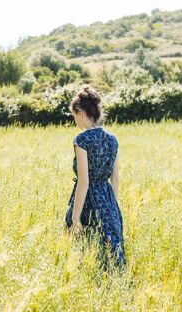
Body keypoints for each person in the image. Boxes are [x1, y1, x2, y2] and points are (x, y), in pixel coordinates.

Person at [64, 84, 127, 271]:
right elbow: (115, 179)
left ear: (81, 113)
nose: (74, 120)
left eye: (74, 116)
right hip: (108, 199)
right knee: (110, 252)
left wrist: (76, 218)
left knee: (78, 250)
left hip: (86, 200)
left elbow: (84, 181)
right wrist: (111, 208)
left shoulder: (81, 140)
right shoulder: (112, 139)